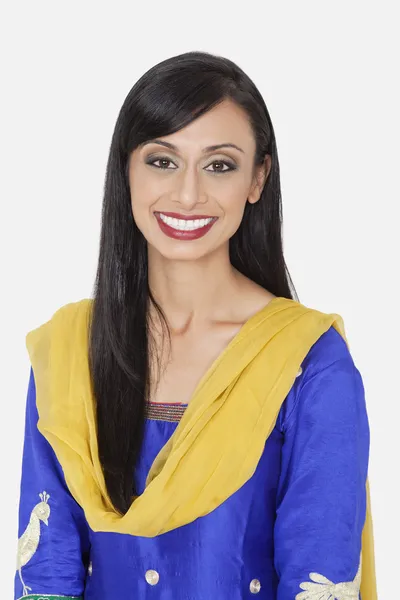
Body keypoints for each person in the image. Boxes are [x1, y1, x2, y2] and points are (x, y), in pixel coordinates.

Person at [14, 50, 377, 599]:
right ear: (126, 171)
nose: (188, 194)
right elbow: (46, 574)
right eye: (162, 161)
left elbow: (320, 576)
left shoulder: (306, 361)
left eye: (219, 165)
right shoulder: (69, 353)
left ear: (258, 178)